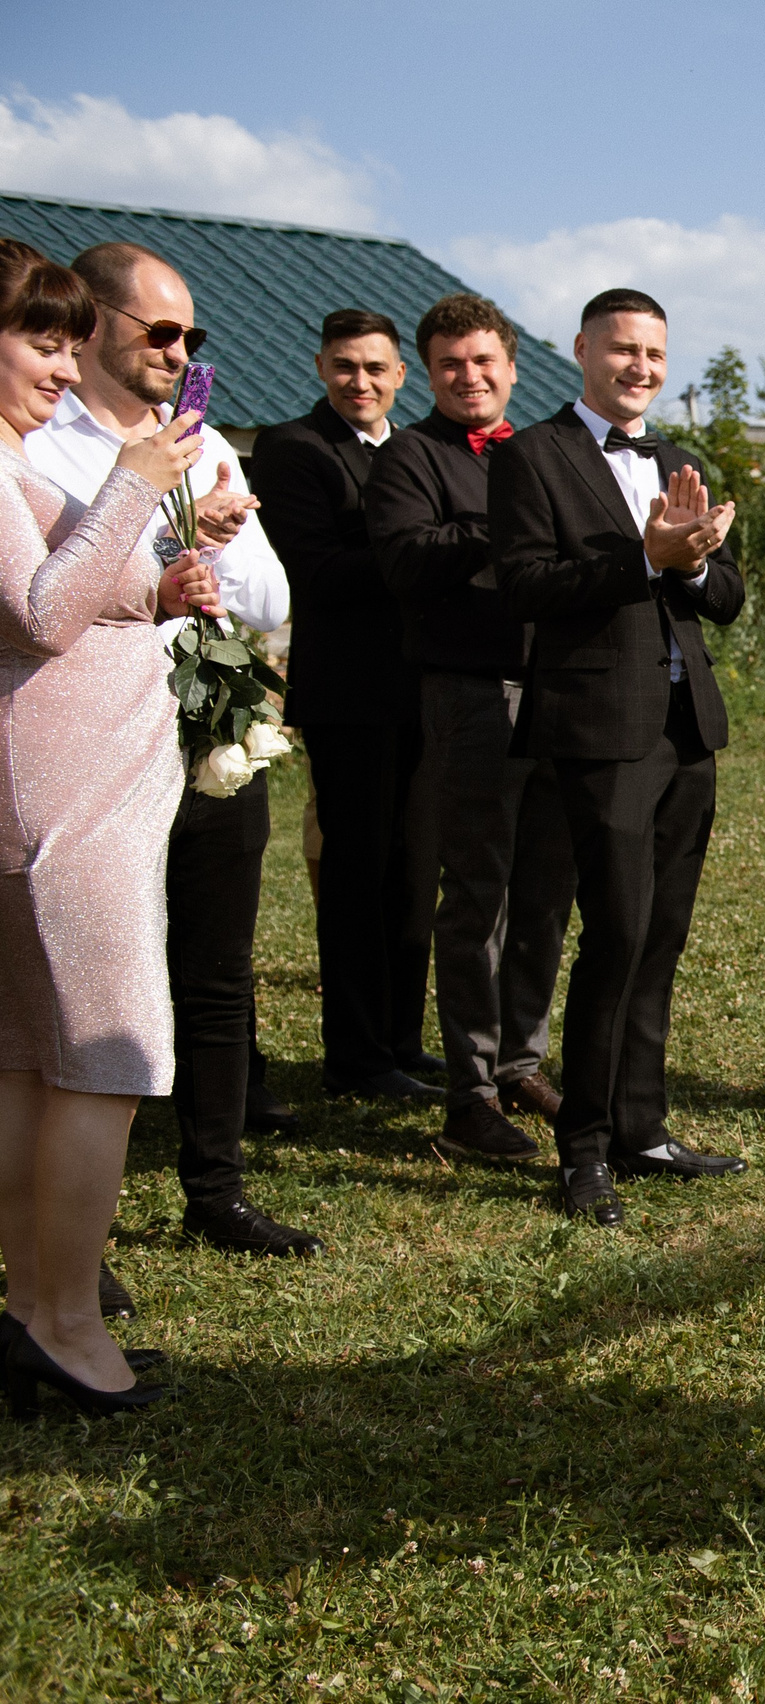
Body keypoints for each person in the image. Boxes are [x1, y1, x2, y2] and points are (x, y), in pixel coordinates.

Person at [28, 242, 306, 1274]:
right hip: (96, 746)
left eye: (192, 335)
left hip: (209, 739)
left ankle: (216, 1187)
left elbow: (271, 602)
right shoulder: (44, 448)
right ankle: (73, 1239)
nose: (180, 351)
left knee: (217, 969)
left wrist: (221, 532)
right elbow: (54, 596)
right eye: (161, 331)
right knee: (88, 992)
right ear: (92, 325)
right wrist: (156, 522)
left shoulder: (206, 444)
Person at [0, 238, 221, 1414]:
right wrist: (136, 479)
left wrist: (155, 580)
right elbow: (37, 614)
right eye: (40, 337)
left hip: (56, 806)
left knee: (32, 1065)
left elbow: (67, 589)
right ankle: (75, 1329)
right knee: (108, 1061)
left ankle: (36, 1313)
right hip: (67, 817)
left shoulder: (15, 461)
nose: (63, 358)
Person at [489, 287, 747, 1227]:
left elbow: (725, 598)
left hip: (688, 730)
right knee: (617, 935)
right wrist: (643, 560)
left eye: (654, 354)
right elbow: (523, 584)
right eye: (623, 350)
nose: (640, 367)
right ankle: (585, 1148)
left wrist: (698, 561)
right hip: (598, 733)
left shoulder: (678, 458)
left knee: (663, 939)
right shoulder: (533, 456)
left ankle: (644, 1126)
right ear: (582, 351)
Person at [369, 293, 576, 1168]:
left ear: (514, 369)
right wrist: (505, 527)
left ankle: (522, 1062)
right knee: (479, 896)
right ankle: (471, 1094)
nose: (471, 377)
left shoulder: (543, 452)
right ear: (428, 373)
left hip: (561, 696)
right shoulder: (407, 458)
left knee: (545, 894)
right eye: (452, 363)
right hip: (470, 697)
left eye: (485, 361)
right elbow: (409, 562)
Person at [263, 312, 440, 1103]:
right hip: (350, 695)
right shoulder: (295, 450)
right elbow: (319, 569)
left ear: (402, 375)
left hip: (427, 691)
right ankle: (357, 1059)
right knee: (357, 875)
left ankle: (403, 1041)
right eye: (344, 367)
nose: (359, 382)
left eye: (375, 368)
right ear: (320, 367)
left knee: (414, 877)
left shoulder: (422, 447)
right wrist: (428, 546)